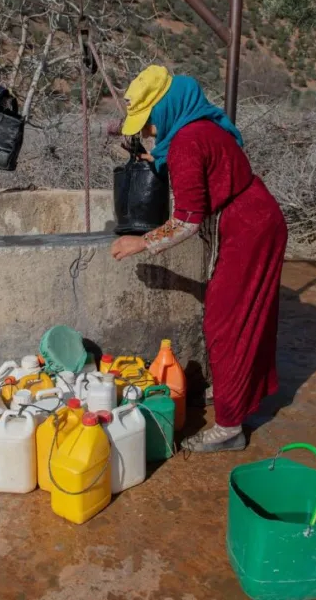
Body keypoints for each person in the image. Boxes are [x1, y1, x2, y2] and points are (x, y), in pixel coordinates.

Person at [110, 65, 289, 453]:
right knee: (237, 318)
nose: (149, 133)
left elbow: (187, 220)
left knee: (226, 324)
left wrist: (140, 244)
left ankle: (229, 428)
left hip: (249, 231)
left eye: (150, 124)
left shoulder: (188, 143)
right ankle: (232, 396)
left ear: (166, 110)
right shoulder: (201, 123)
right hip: (254, 218)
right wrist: (151, 152)